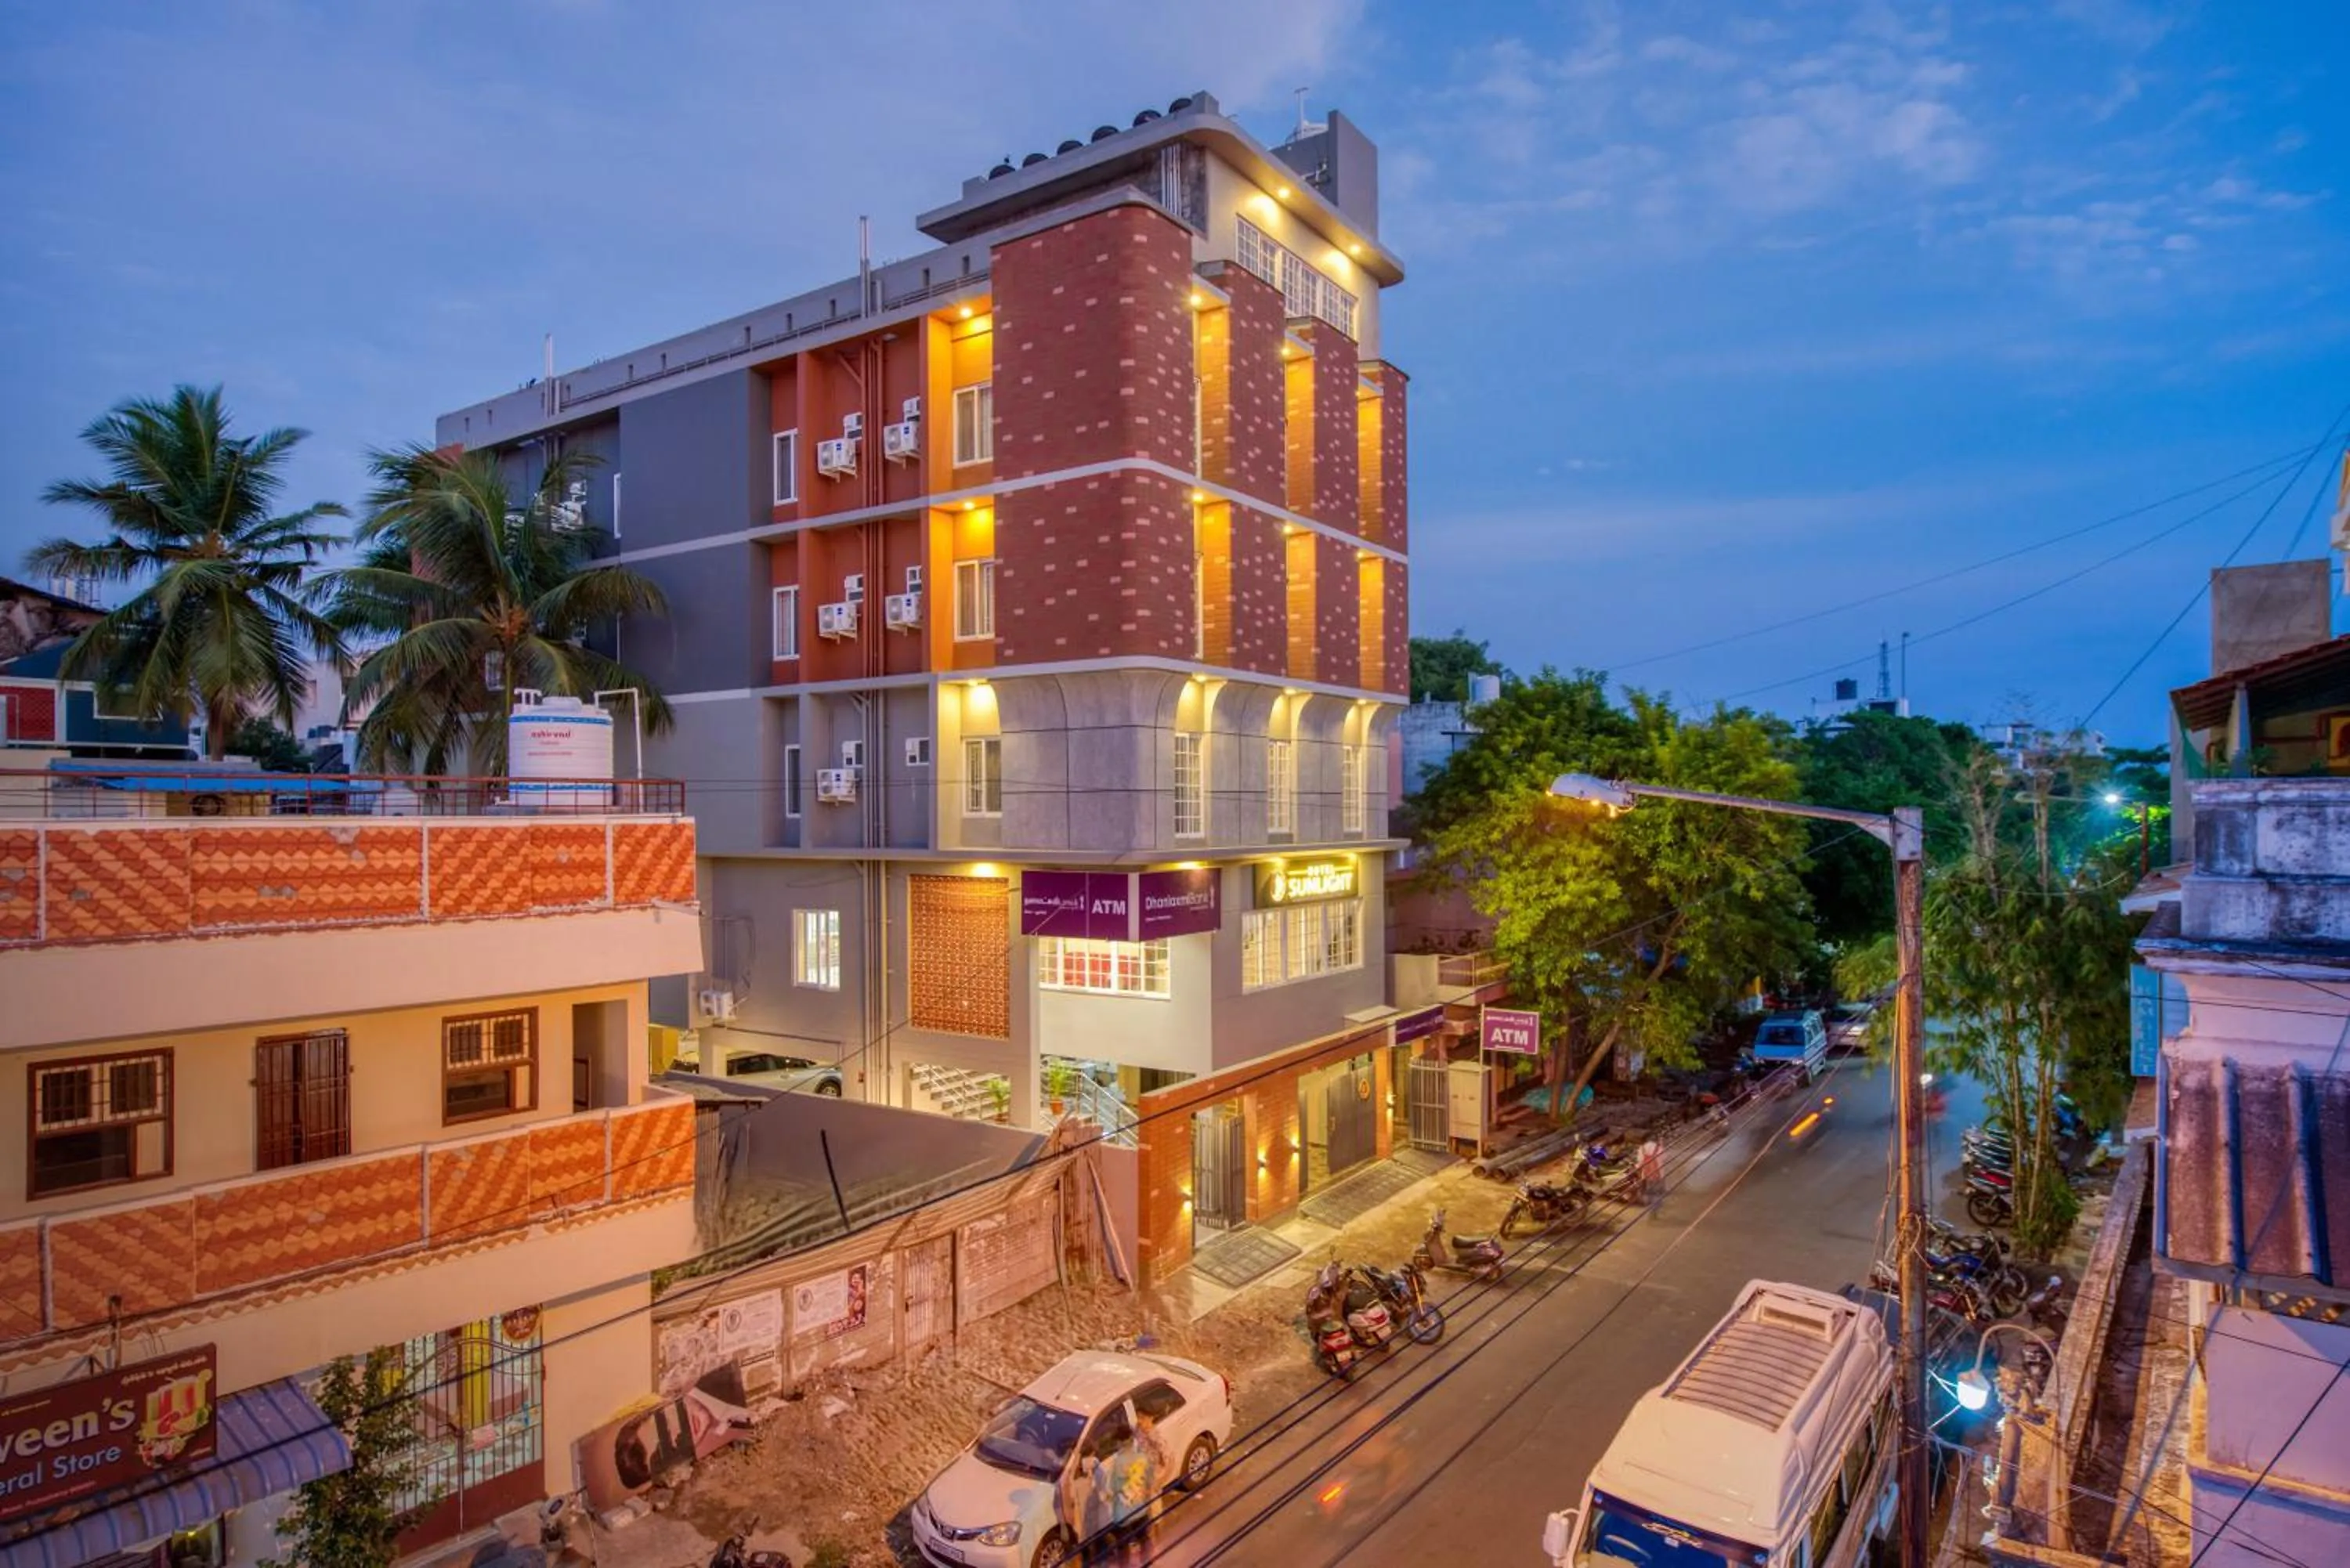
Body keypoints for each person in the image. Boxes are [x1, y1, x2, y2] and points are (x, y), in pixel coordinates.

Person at [1638, 1137, 1665, 1211]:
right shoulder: (1659, 1148)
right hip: (1658, 1175)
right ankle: (1656, 1209)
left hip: (1646, 1174)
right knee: (1658, 1193)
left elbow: (1640, 1162)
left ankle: (1648, 1207)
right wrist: (1662, 1145)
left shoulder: (1642, 1148)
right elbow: (1663, 1159)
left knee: (1648, 1191)